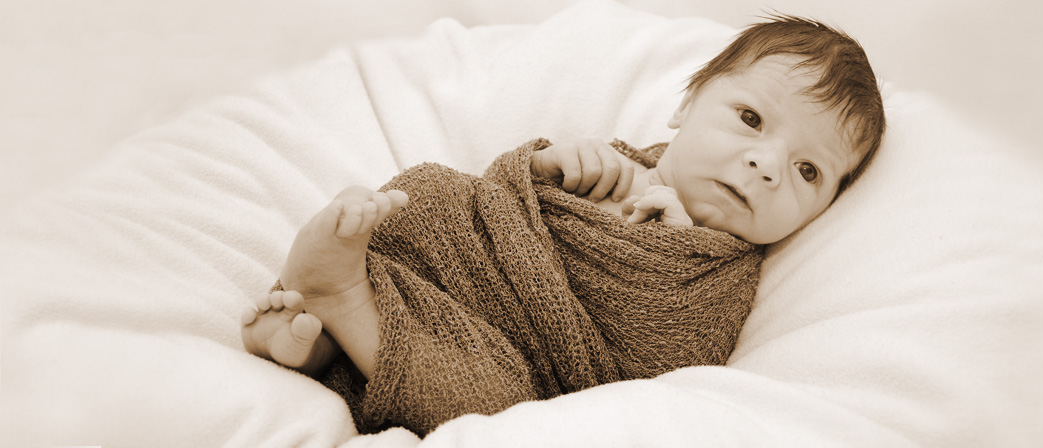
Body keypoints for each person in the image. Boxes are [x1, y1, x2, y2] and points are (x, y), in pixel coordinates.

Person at [241, 14, 884, 435]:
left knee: (495, 403)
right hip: (464, 261)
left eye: (808, 171)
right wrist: (545, 165)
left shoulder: (723, 276)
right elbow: (501, 196)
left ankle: (342, 307)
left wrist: (671, 248)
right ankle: (320, 332)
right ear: (687, 105)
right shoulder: (620, 161)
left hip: (515, 353)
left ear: (823, 208)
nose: (766, 166)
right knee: (431, 191)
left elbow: (665, 362)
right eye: (751, 119)